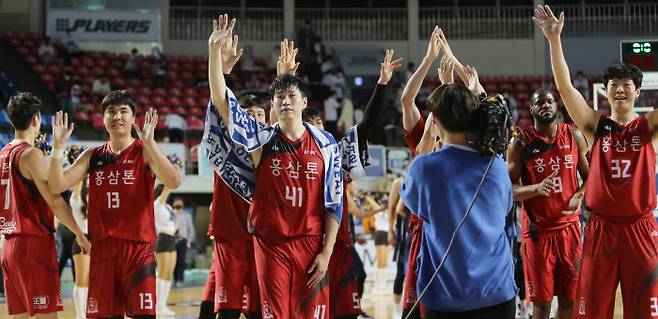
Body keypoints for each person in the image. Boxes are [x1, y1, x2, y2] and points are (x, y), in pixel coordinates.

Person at [207, 15, 343, 318]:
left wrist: (327, 250)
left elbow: (334, 202)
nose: (284, 101)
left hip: (310, 242)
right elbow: (221, 100)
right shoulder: (261, 138)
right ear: (272, 104)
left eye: (291, 95)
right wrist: (214, 54)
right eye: (278, 96)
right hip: (271, 244)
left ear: (304, 102)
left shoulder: (326, 143)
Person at [534, 5, 658, 318]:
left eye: (626, 85)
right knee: (591, 311)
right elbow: (564, 88)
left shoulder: (648, 128)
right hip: (601, 228)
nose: (619, 89)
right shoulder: (594, 126)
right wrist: (553, 41)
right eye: (613, 85)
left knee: (646, 310)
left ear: (638, 92)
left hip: (641, 229)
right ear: (605, 92)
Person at [47, 90, 181, 318]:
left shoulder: (144, 152)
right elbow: (56, 184)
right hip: (103, 249)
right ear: (103, 118)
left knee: (143, 315)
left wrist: (150, 142)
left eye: (123, 111)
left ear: (133, 118)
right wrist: (58, 146)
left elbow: (173, 181)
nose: (117, 116)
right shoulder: (93, 155)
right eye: (111, 111)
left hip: (138, 249)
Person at [0, 92, 90, 319]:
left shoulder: (2, 153)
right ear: (36, 120)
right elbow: (56, 201)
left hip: (9, 246)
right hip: (33, 244)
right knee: (47, 316)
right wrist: (79, 234)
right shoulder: (31, 154)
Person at [506, 88, 589, 319]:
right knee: (541, 305)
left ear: (557, 106)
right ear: (531, 109)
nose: (546, 105)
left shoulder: (574, 135)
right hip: (537, 234)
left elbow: (591, 176)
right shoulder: (520, 143)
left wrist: (580, 193)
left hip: (570, 230)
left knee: (569, 300)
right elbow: (507, 190)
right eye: (539, 102)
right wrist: (535, 188)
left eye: (550, 101)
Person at [153, 184, 177, 317]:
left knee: (168, 274)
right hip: (162, 239)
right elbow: (166, 190)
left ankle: (163, 304)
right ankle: (157, 305)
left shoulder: (167, 206)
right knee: (162, 273)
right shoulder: (157, 204)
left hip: (172, 239)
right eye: (165, 193)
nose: (167, 195)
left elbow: (173, 221)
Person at [172, 197, 194, 287]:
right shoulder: (170, 214)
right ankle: (174, 279)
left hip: (183, 241)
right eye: (177, 203)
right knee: (173, 262)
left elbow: (191, 229)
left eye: (180, 203)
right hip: (172, 240)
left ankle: (180, 280)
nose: (178, 204)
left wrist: (189, 242)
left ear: (183, 205)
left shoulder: (187, 215)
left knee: (181, 261)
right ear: (173, 204)